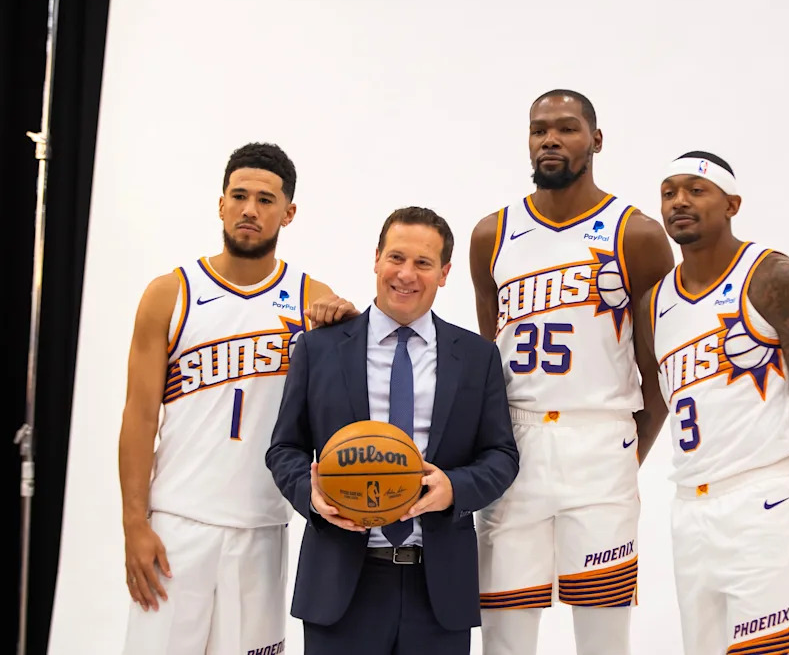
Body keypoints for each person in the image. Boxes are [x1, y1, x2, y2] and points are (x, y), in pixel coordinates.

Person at [117, 142, 357, 655]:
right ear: (221, 203)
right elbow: (139, 417)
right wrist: (133, 524)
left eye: (266, 200)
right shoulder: (169, 294)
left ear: (288, 213)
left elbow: (336, 420)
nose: (251, 209)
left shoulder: (313, 298)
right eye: (240, 195)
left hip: (262, 525)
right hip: (177, 524)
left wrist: (346, 330)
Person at [468, 89, 675, 655]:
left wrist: (626, 453)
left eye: (566, 128)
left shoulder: (637, 235)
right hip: (517, 442)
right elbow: (488, 357)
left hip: (600, 439)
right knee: (506, 633)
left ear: (597, 140)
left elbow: (658, 371)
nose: (551, 140)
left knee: (603, 635)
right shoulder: (492, 234)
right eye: (539, 130)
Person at [266, 206, 520, 654]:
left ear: (444, 273)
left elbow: (502, 455)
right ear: (376, 258)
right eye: (396, 258)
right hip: (341, 585)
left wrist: (454, 488)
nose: (406, 274)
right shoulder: (319, 348)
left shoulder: (478, 357)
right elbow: (284, 447)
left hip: (438, 588)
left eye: (423, 263)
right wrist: (313, 495)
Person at [637, 150, 789, 654]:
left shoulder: (772, 277)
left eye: (696, 189)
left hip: (767, 499)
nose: (679, 202)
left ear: (732, 203)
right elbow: (654, 407)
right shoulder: (654, 304)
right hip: (690, 510)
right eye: (669, 192)